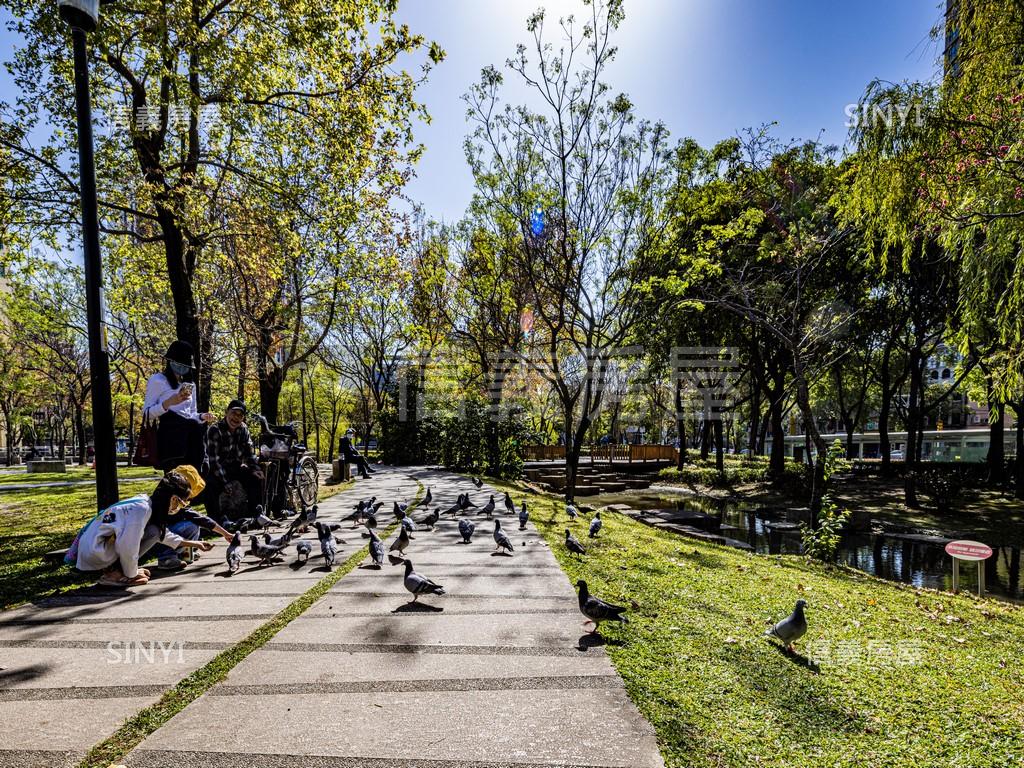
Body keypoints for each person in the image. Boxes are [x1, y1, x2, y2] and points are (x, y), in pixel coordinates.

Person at [73, 465, 225, 587]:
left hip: (96, 547)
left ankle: (119, 570)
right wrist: (133, 574)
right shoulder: (141, 510)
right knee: (152, 533)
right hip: (96, 551)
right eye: (182, 503)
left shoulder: (144, 503)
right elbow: (128, 546)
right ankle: (114, 574)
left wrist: (195, 543)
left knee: (153, 531)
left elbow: (161, 534)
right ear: (173, 499)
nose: (180, 507)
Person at [143, 340, 215, 473]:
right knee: (175, 485)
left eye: (185, 365)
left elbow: (190, 414)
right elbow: (146, 414)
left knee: (194, 483)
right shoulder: (158, 380)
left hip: (191, 442)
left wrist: (202, 416)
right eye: (178, 363)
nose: (182, 368)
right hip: (171, 442)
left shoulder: (189, 384)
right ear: (170, 361)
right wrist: (168, 403)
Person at [204, 399, 264, 524]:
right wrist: (225, 482)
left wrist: (255, 469)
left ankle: (256, 514)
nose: (236, 418)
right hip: (216, 470)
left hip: (235, 467)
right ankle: (216, 522)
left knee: (256, 478)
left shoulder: (243, 429)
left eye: (240, 415)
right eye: (234, 413)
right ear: (227, 413)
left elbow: (249, 453)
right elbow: (213, 461)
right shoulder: (215, 430)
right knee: (211, 485)